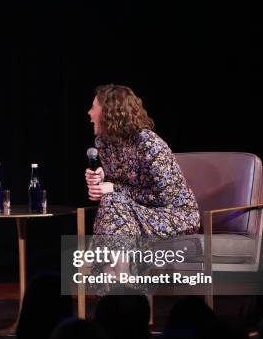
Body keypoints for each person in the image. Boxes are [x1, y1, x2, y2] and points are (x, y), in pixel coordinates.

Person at [85, 84, 200, 239]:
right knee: (113, 204)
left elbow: (164, 197)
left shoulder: (148, 143)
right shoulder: (104, 143)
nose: (89, 113)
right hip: (131, 212)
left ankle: (106, 261)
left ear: (108, 112)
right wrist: (102, 180)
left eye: (93, 108)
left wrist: (114, 188)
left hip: (173, 215)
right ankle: (116, 262)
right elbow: (121, 184)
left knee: (113, 203)